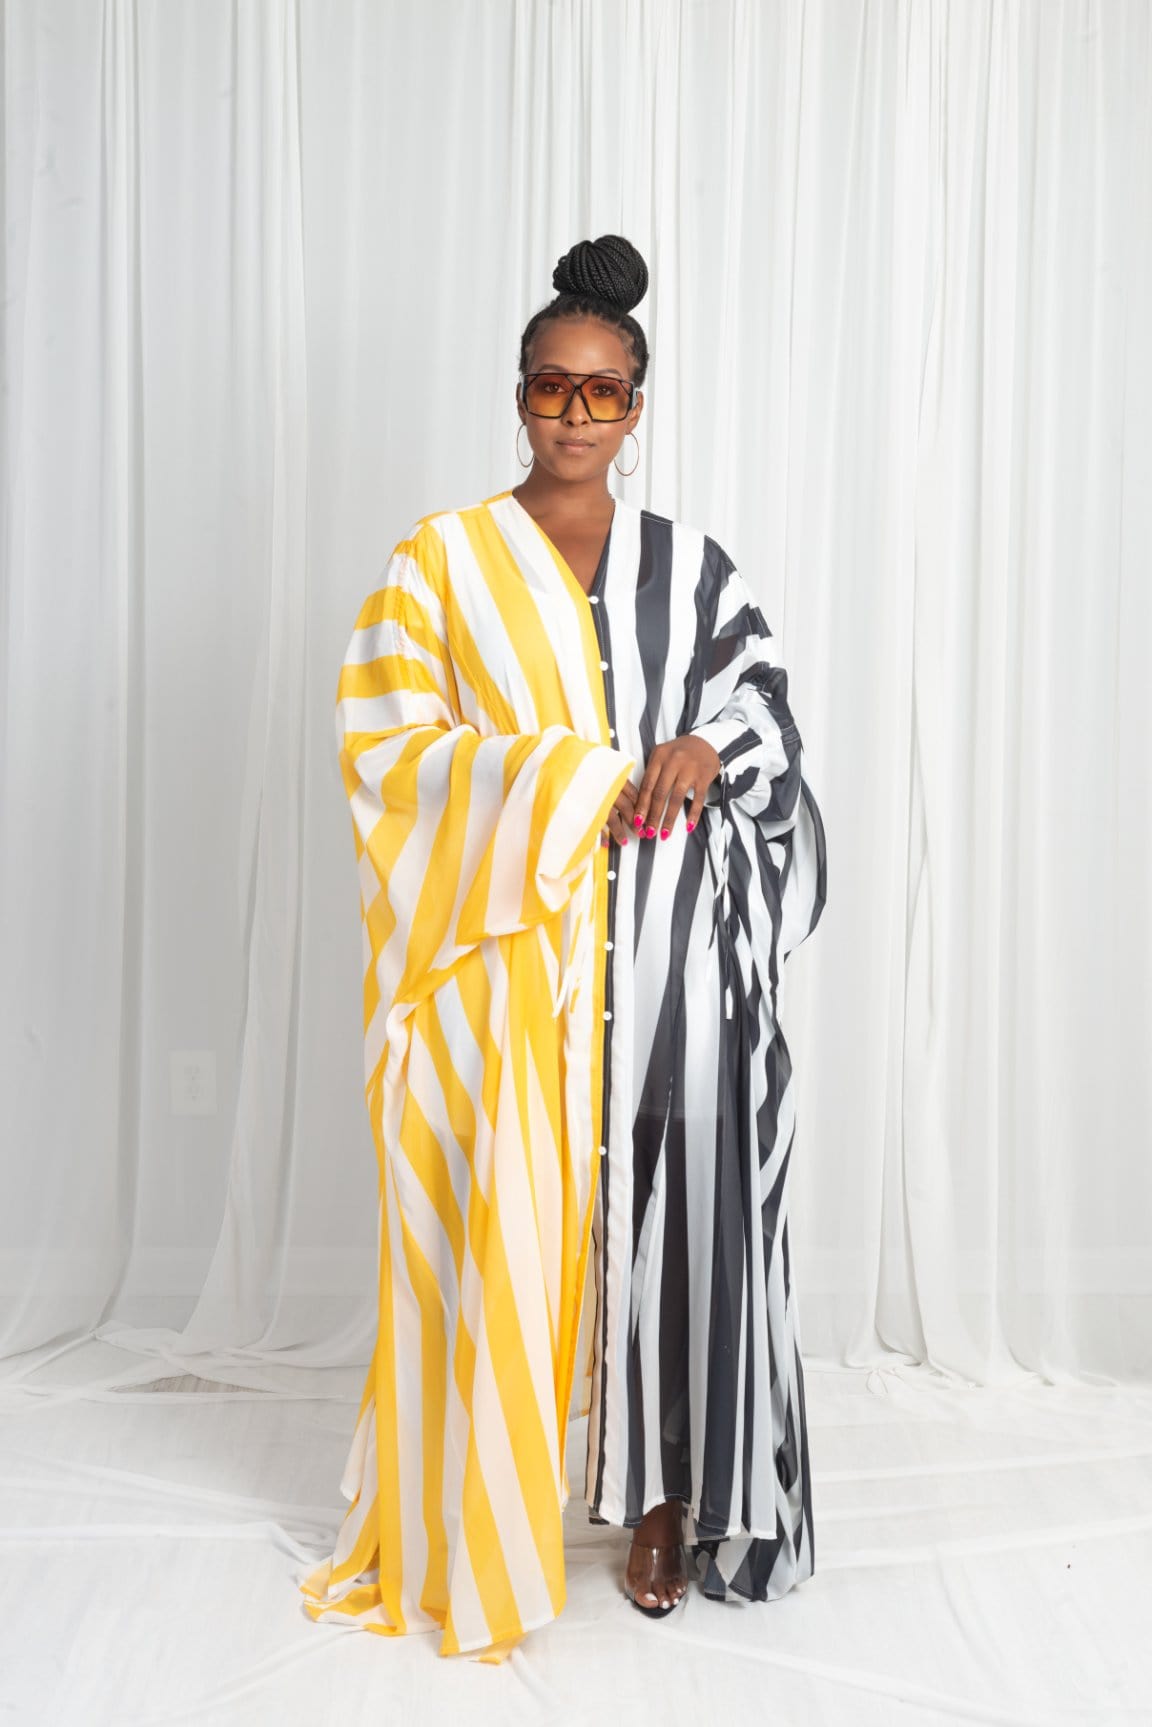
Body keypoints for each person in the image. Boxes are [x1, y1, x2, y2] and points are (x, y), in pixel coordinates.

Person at [299, 234, 828, 1662]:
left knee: (677, 1212)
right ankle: (499, 1495)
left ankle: (662, 1500)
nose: (576, 415)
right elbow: (388, 745)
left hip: (673, 953)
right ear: (519, 394)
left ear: (637, 409)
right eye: (553, 386)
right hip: (517, 966)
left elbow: (769, 712)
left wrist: (706, 744)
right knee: (517, 1215)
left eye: (604, 393)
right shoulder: (441, 563)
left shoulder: (693, 569)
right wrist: (570, 776)